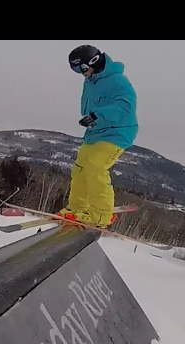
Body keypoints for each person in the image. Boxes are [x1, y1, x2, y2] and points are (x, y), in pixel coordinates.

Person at [57, 45, 138, 229]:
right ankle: (77, 208)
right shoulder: (91, 80)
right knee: (80, 169)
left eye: (82, 68)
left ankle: (100, 215)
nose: (81, 73)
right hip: (95, 132)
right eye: (76, 70)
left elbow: (125, 107)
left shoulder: (118, 80)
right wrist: (90, 118)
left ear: (94, 61)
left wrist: (97, 115)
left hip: (118, 131)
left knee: (95, 167)